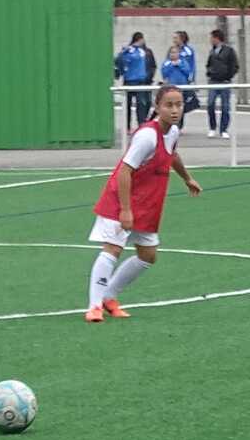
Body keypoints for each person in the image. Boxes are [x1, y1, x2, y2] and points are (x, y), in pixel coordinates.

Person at [86, 85, 201, 323]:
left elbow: (173, 155)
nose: (175, 110)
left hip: (147, 204)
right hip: (121, 201)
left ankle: (109, 297)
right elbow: (124, 171)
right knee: (113, 249)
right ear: (157, 107)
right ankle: (94, 306)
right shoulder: (147, 136)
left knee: (148, 256)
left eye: (179, 105)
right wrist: (126, 210)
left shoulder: (173, 131)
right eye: (169, 105)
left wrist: (187, 178)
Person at [113, 32, 156, 125]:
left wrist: (148, 77)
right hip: (130, 81)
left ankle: (141, 124)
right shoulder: (129, 51)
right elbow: (118, 60)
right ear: (140, 40)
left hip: (140, 81)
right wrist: (120, 72)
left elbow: (151, 65)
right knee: (129, 105)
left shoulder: (144, 51)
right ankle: (127, 125)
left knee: (142, 105)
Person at [205, 28, 239, 140]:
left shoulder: (229, 51)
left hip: (225, 81)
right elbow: (208, 64)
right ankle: (212, 127)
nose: (210, 40)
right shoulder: (212, 51)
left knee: (225, 106)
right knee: (210, 104)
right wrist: (209, 72)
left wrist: (228, 76)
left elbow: (234, 66)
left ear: (217, 38)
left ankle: (224, 129)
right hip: (213, 81)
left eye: (212, 38)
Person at [161, 31, 197, 115]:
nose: (174, 40)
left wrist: (191, 79)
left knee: (182, 105)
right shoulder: (171, 50)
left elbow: (191, 66)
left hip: (184, 82)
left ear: (181, 39)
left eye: (175, 38)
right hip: (172, 83)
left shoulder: (188, 51)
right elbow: (166, 65)